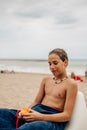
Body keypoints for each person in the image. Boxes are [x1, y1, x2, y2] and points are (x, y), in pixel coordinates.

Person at [0, 48, 78, 130]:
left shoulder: (71, 84)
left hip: (51, 120)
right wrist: (25, 111)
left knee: (29, 127)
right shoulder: (46, 80)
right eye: (49, 64)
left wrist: (40, 117)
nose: (51, 67)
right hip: (36, 112)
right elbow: (36, 102)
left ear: (65, 62)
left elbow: (67, 115)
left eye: (55, 63)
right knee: (3, 113)